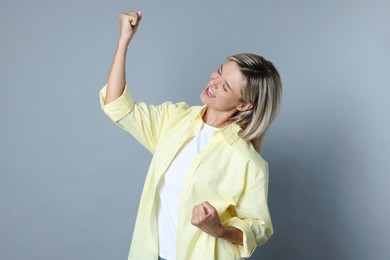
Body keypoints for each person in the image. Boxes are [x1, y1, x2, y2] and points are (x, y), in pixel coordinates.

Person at [99, 11, 282, 260]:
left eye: (226, 86)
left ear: (244, 105)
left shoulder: (248, 162)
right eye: (219, 71)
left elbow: (259, 228)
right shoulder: (175, 119)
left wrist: (219, 229)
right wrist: (123, 42)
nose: (214, 82)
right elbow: (118, 106)